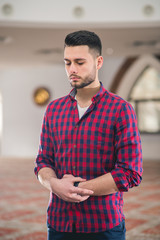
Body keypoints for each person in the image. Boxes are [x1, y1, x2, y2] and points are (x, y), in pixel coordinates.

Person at [34, 30, 143, 240]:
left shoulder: (120, 109)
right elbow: (42, 162)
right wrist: (54, 184)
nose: (72, 69)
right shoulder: (54, 110)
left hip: (103, 225)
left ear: (98, 62)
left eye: (79, 62)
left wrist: (74, 189)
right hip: (59, 223)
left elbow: (130, 172)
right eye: (67, 62)